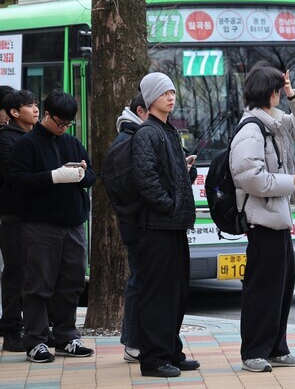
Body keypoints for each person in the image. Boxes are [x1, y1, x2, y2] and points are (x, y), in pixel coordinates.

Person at [229, 63, 295, 372]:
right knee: (262, 291)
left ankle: (277, 348)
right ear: (270, 93)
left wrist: (294, 94)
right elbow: (250, 177)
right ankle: (254, 351)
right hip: (261, 221)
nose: (282, 95)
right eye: (280, 91)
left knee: (282, 287)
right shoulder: (252, 129)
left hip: (276, 220)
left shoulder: (274, 123)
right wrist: (289, 182)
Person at [9, 90, 96, 363]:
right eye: (60, 122)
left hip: (73, 224)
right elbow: (17, 182)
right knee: (39, 284)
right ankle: (35, 340)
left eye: (69, 124)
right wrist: (53, 177)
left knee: (71, 283)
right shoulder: (26, 144)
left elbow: (92, 175)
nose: (64, 128)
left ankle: (67, 336)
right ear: (46, 115)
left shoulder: (72, 142)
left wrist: (82, 174)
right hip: (39, 225)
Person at [132, 72, 198, 378]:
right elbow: (146, 180)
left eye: (172, 92)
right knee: (158, 294)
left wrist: (186, 175)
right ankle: (154, 359)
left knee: (177, 292)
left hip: (172, 226)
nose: (171, 96)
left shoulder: (169, 131)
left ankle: (171, 350)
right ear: (150, 99)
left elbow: (167, 175)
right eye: (164, 93)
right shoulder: (148, 133)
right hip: (157, 227)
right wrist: (170, 205)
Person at [0, 90, 38, 352]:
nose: (35, 109)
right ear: (14, 112)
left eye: (36, 104)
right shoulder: (5, 139)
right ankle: (11, 330)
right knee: (16, 273)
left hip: (37, 217)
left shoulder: (36, 137)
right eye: (29, 105)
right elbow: (16, 174)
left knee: (34, 274)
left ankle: (31, 327)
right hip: (14, 216)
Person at [113, 93, 148, 363]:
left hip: (139, 222)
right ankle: (133, 343)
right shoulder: (130, 141)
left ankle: (137, 341)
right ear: (141, 110)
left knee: (142, 280)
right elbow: (132, 187)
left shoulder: (132, 137)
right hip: (139, 224)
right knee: (140, 281)